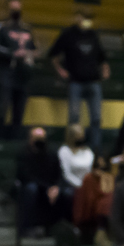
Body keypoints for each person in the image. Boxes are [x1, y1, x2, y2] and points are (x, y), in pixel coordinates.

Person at [48, 11, 109, 151]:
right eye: (84, 18)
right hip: (75, 81)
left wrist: (105, 68)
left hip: (93, 81)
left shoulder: (93, 35)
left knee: (96, 118)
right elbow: (53, 54)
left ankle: (95, 149)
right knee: (74, 118)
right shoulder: (68, 34)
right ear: (77, 18)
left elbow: (102, 56)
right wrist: (60, 69)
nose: (86, 21)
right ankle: (72, 146)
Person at [0, 0, 36, 139]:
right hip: (6, 71)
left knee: (19, 110)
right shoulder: (1, 26)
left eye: (18, 9)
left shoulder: (27, 29)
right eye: (13, 9)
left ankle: (14, 140)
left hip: (23, 73)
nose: (16, 12)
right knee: (2, 108)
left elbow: (35, 48)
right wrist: (13, 54)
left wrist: (30, 55)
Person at [16, 127, 66, 236]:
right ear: (30, 139)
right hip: (31, 186)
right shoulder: (23, 154)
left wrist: (56, 187)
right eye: (37, 138)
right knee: (31, 189)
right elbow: (25, 175)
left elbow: (59, 174)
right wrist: (47, 188)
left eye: (42, 138)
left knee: (65, 193)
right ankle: (26, 228)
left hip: (49, 187)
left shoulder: (51, 154)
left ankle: (56, 231)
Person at [72, 153, 116, 245]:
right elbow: (82, 204)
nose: (99, 171)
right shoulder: (88, 179)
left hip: (106, 222)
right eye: (96, 167)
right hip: (89, 224)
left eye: (102, 168)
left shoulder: (109, 179)